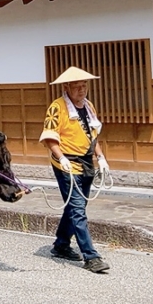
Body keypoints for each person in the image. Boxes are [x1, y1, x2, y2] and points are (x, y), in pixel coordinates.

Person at [39, 66, 111, 274]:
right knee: (77, 210)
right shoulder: (57, 108)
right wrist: (62, 158)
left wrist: (101, 157)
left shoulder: (88, 106)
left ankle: (61, 245)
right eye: (77, 86)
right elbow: (50, 138)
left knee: (74, 208)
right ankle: (91, 256)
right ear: (67, 87)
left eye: (84, 85)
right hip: (66, 164)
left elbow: (93, 135)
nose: (82, 90)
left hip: (86, 162)